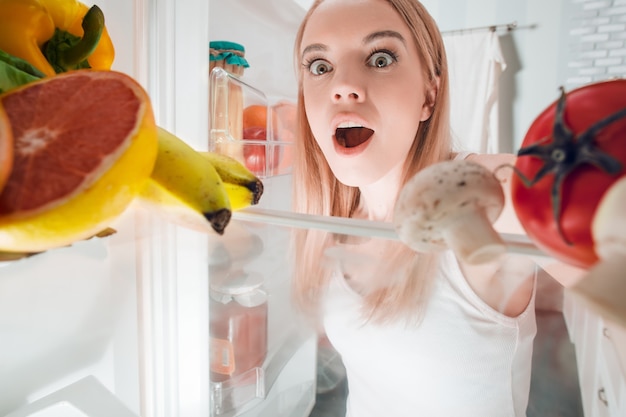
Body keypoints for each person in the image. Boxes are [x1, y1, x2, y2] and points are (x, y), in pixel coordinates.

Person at [289, 0, 537, 416]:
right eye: (319, 66)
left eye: (380, 58)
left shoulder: (480, 197)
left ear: (429, 94)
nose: (342, 86)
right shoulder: (335, 223)